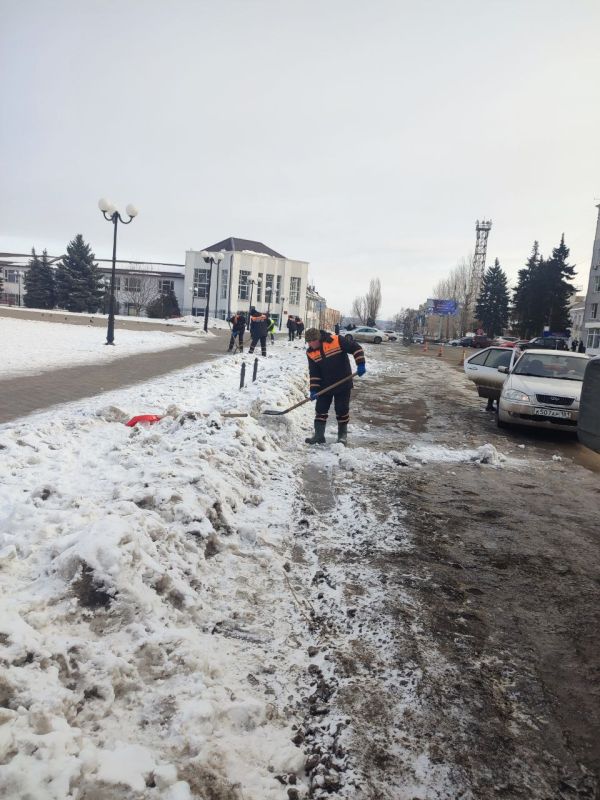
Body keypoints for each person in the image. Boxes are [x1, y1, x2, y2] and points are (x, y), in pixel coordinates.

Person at [305, 327, 366, 446]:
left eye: (312, 341)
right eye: (308, 342)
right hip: (324, 386)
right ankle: (319, 436)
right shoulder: (311, 353)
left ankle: (342, 436)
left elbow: (356, 348)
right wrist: (314, 389)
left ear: (318, 339)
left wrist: (361, 363)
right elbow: (314, 372)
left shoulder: (336, 340)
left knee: (341, 409)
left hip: (343, 382)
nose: (310, 344)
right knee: (320, 409)